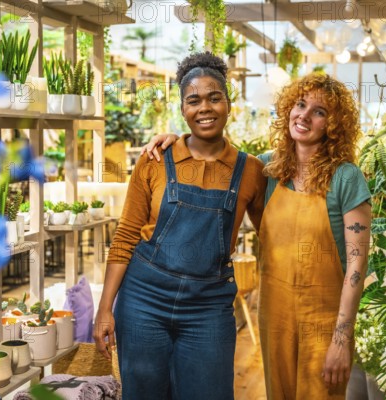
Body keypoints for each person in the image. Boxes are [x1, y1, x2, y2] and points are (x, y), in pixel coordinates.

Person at [143, 72, 371, 399]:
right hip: (275, 315)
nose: (304, 115)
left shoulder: (346, 178)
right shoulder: (267, 169)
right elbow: (212, 155)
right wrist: (175, 140)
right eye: (300, 104)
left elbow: (356, 268)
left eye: (319, 112)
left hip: (324, 321)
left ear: (333, 125)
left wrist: (341, 340)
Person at [93, 52, 266, 400]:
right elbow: (126, 235)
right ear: (183, 108)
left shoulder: (250, 171)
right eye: (194, 100)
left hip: (209, 306)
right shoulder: (155, 159)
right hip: (144, 300)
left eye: (214, 97)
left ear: (228, 103)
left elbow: (270, 236)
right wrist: (104, 309)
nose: (205, 108)